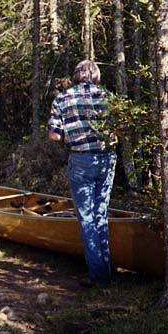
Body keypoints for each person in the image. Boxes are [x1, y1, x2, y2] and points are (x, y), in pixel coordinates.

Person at [47, 60, 116, 287]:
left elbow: (54, 136)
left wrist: (72, 134)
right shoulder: (108, 97)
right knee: (100, 214)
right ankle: (105, 271)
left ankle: (99, 277)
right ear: (95, 76)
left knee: (87, 218)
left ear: (76, 75)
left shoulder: (63, 98)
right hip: (106, 158)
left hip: (81, 159)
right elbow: (119, 128)